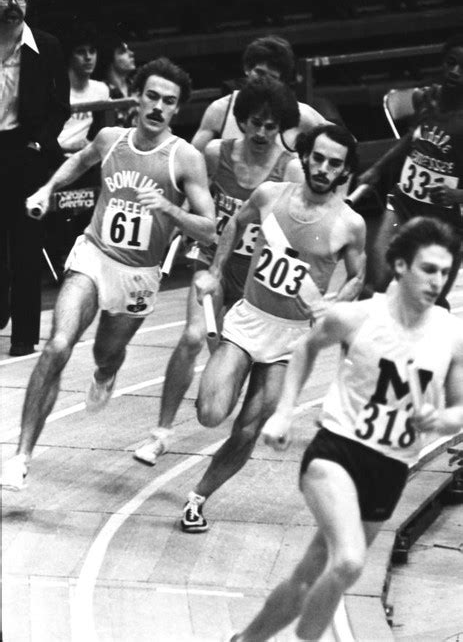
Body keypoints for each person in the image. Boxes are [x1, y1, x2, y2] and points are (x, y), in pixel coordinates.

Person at [231, 216, 463, 642]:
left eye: (445, 273)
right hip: (337, 452)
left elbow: (459, 409)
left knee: (314, 571)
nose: (438, 281)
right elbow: (305, 348)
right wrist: (284, 411)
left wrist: (440, 420)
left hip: (391, 467)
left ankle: (245, 640)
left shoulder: (451, 335)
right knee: (350, 561)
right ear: (400, 266)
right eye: (429, 269)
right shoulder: (356, 317)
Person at [1, 57, 215, 491]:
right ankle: (20, 456)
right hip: (93, 256)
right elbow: (80, 161)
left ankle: (106, 373)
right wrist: (47, 188)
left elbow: (209, 227)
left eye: (168, 101)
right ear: (138, 97)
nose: (157, 107)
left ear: (177, 109)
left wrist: (170, 209)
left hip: (137, 276)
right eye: (151, 96)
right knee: (57, 346)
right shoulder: (111, 139)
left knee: (105, 353)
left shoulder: (185, 158)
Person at [180, 123, 366, 533]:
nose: (323, 168)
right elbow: (234, 225)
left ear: (345, 170)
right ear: (305, 156)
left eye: (334, 163)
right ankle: (227, 364)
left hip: (292, 340)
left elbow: (357, 275)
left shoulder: (350, 224)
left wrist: (336, 303)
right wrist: (214, 270)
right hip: (249, 320)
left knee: (249, 428)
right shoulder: (269, 195)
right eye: (317, 157)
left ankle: (197, 498)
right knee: (211, 413)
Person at [134, 75, 303, 466]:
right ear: (241, 120)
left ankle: (229, 396)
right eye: (254, 122)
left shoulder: (290, 169)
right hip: (211, 263)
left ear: (281, 127)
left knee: (227, 375)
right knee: (193, 336)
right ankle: (160, 433)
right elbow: (193, 201)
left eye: (271, 125)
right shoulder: (214, 153)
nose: (261, 132)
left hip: (259, 280)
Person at [357, 34, 463, 305]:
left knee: (431, 298)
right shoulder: (429, 97)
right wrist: (378, 169)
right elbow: (412, 138)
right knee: (374, 285)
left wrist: (458, 196)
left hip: (445, 222)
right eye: (451, 63)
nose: (455, 72)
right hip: (402, 205)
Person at [0, 0, 70, 356]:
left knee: (27, 247)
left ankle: (24, 338)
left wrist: (40, 143)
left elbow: (62, 107)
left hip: (26, 154)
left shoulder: (47, 46)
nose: (14, 5)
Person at [191, 35, 328, 153]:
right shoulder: (220, 110)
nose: (263, 81)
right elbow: (192, 160)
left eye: (272, 77)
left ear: (282, 81)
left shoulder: (302, 115)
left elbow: (344, 143)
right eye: (259, 73)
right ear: (247, 69)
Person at [58, 23, 110, 158]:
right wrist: (67, 147)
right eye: (81, 52)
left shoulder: (101, 90)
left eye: (92, 51)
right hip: (53, 158)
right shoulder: (53, 89)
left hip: (82, 160)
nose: (88, 57)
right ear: (70, 55)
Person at [95, 34, 137, 127]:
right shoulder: (100, 91)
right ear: (110, 59)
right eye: (122, 52)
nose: (131, 54)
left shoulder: (136, 86)